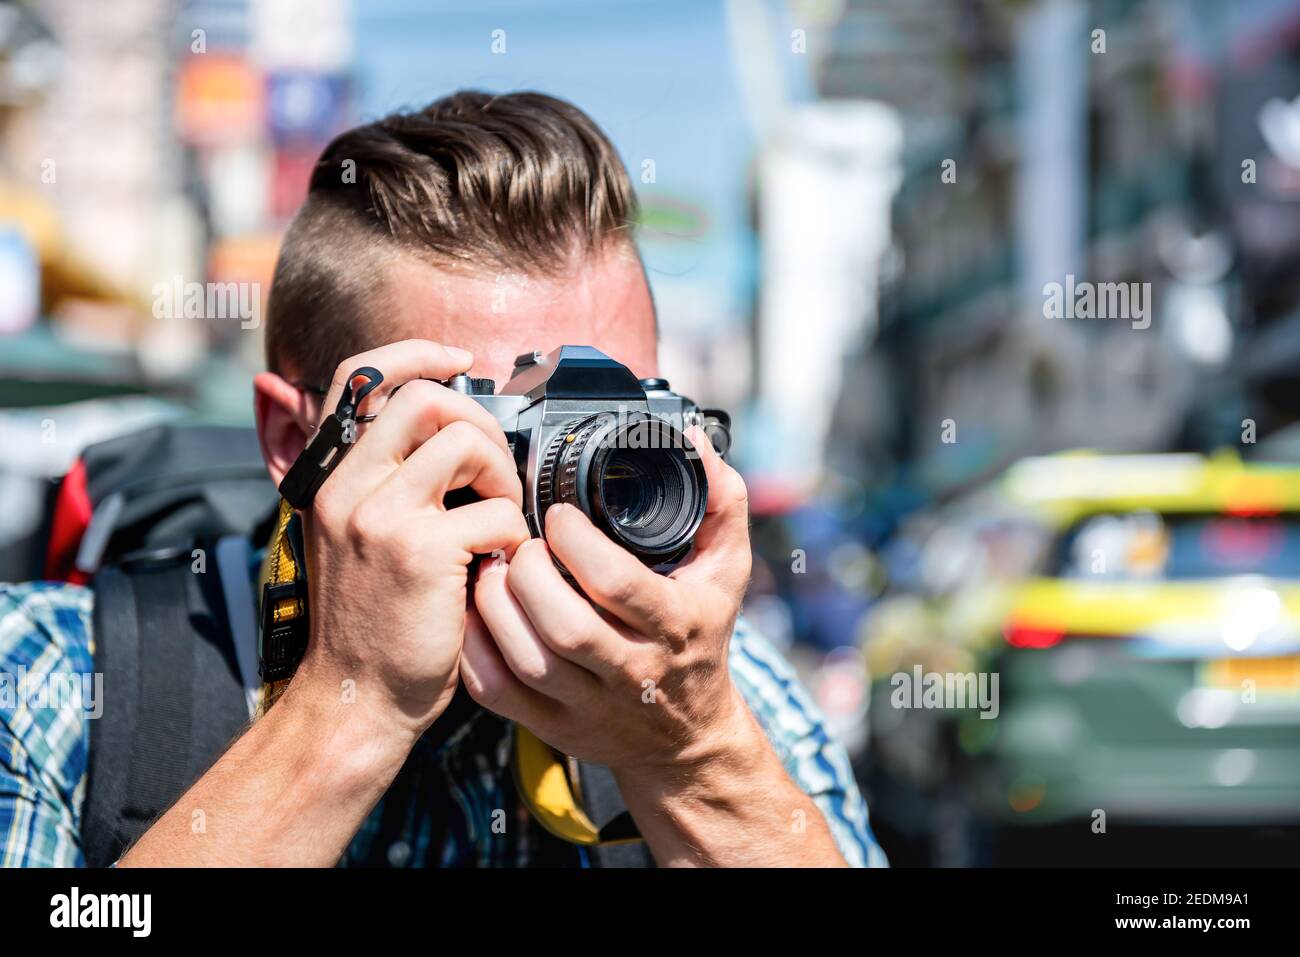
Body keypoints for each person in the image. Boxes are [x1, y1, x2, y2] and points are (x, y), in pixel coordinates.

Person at [0, 91, 885, 867]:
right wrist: (348, 714)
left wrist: (691, 756)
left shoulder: (730, 695)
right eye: (481, 422)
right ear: (291, 434)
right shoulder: (50, 684)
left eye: (620, 422)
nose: (563, 486)